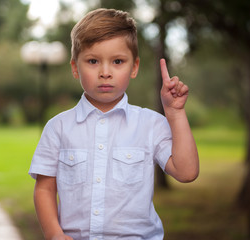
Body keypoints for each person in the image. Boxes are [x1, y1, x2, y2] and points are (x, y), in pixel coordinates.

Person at [28, 8, 199, 240]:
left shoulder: (151, 124)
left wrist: (175, 113)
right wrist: (54, 234)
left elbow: (187, 173)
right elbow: (45, 188)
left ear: (134, 67)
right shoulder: (57, 128)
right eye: (93, 61)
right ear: (75, 68)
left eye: (117, 61)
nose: (105, 72)